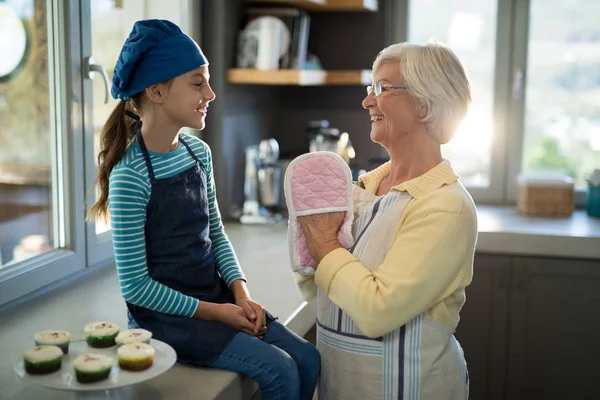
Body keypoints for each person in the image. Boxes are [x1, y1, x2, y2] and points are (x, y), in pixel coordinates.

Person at [87, 19, 319, 400]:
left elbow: (216, 235)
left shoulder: (199, 153)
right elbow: (136, 288)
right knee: (280, 370)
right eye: (197, 82)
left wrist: (241, 294)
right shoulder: (130, 177)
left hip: (218, 300)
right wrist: (218, 312)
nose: (210, 93)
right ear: (156, 90)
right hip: (167, 322)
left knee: (307, 358)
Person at [295, 41, 477, 400]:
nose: (367, 102)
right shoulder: (364, 189)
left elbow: (377, 311)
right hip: (341, 384)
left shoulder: (446, 206)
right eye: (370, 88)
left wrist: (324, 243)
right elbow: (319, 291)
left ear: (425, 103)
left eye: (382, 88)